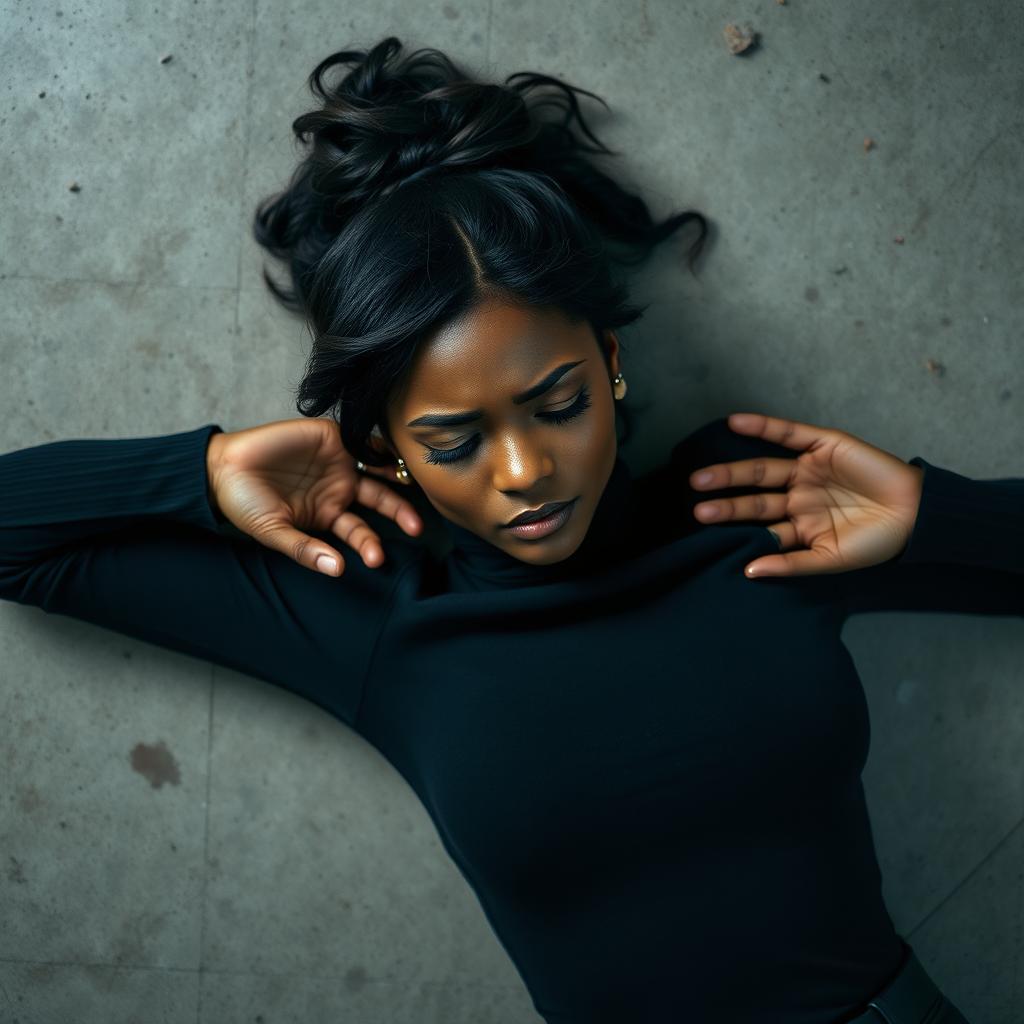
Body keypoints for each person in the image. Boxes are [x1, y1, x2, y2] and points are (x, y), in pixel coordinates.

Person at [1, 35, 1016, 1024]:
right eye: (453, 438)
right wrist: (204, 470)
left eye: (558, 402)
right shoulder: (372, 612)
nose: (527, 470)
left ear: (608, 363)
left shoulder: (747, 506)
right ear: (387, 446)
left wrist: (940, 516)